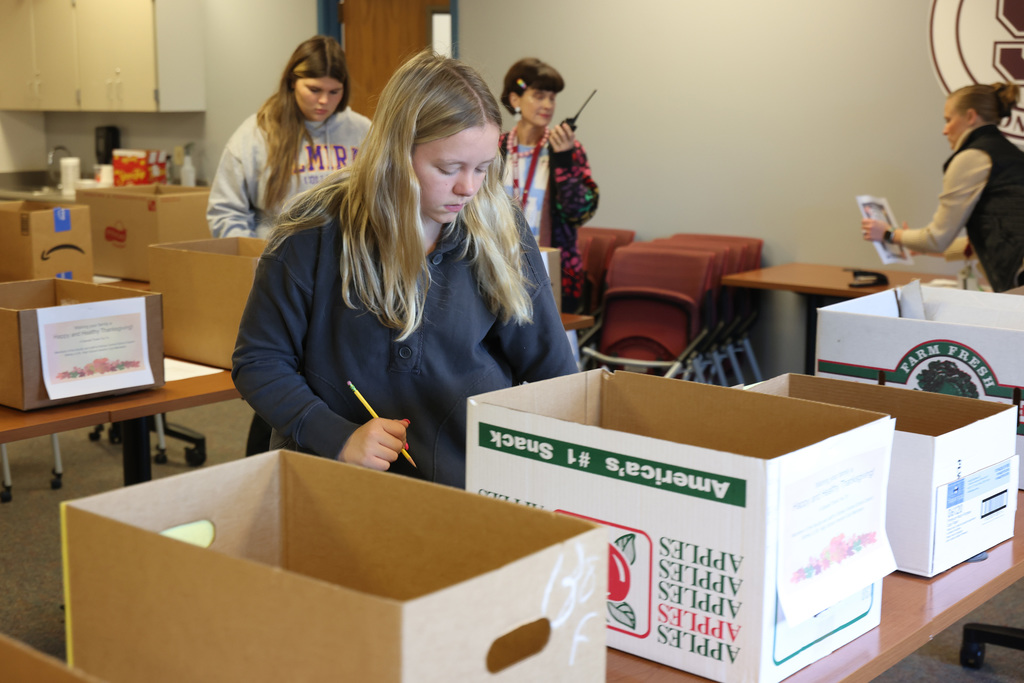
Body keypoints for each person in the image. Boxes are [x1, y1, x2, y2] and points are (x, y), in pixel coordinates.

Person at [231, 50, 578, 488]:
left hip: (465, 486)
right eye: (448, 168)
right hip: (333, 478)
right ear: (395, 153)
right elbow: (259, 361)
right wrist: (336, 437)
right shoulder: (313, 230)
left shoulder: (499, 227)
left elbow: (551, 368)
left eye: (483, 169)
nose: (467, 188)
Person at [860, 82, 1024, 292]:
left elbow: (937, 239)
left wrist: (889, 234)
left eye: (948, 120)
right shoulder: (1013, 155)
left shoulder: (972, 157)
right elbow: (996, 235)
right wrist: (914, 243)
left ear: (971, 116)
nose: (944, 130)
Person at [207, 35, 371, 239]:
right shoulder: (256, 134)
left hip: (344, 262)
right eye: (314, 89)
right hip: (275, 262)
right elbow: (226, 212)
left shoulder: (362, 130)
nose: (324, 100)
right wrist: (252, 259)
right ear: (293, 82)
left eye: (334, 92)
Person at [498, 58, 599, 313]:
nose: (547, 105)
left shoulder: (567, 148)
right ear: (515, 100)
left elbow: (577, 213)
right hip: (499, 267)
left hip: (552, 271)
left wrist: (564, 160)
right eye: (539, 96)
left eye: (552, 98)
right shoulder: (495, 147)